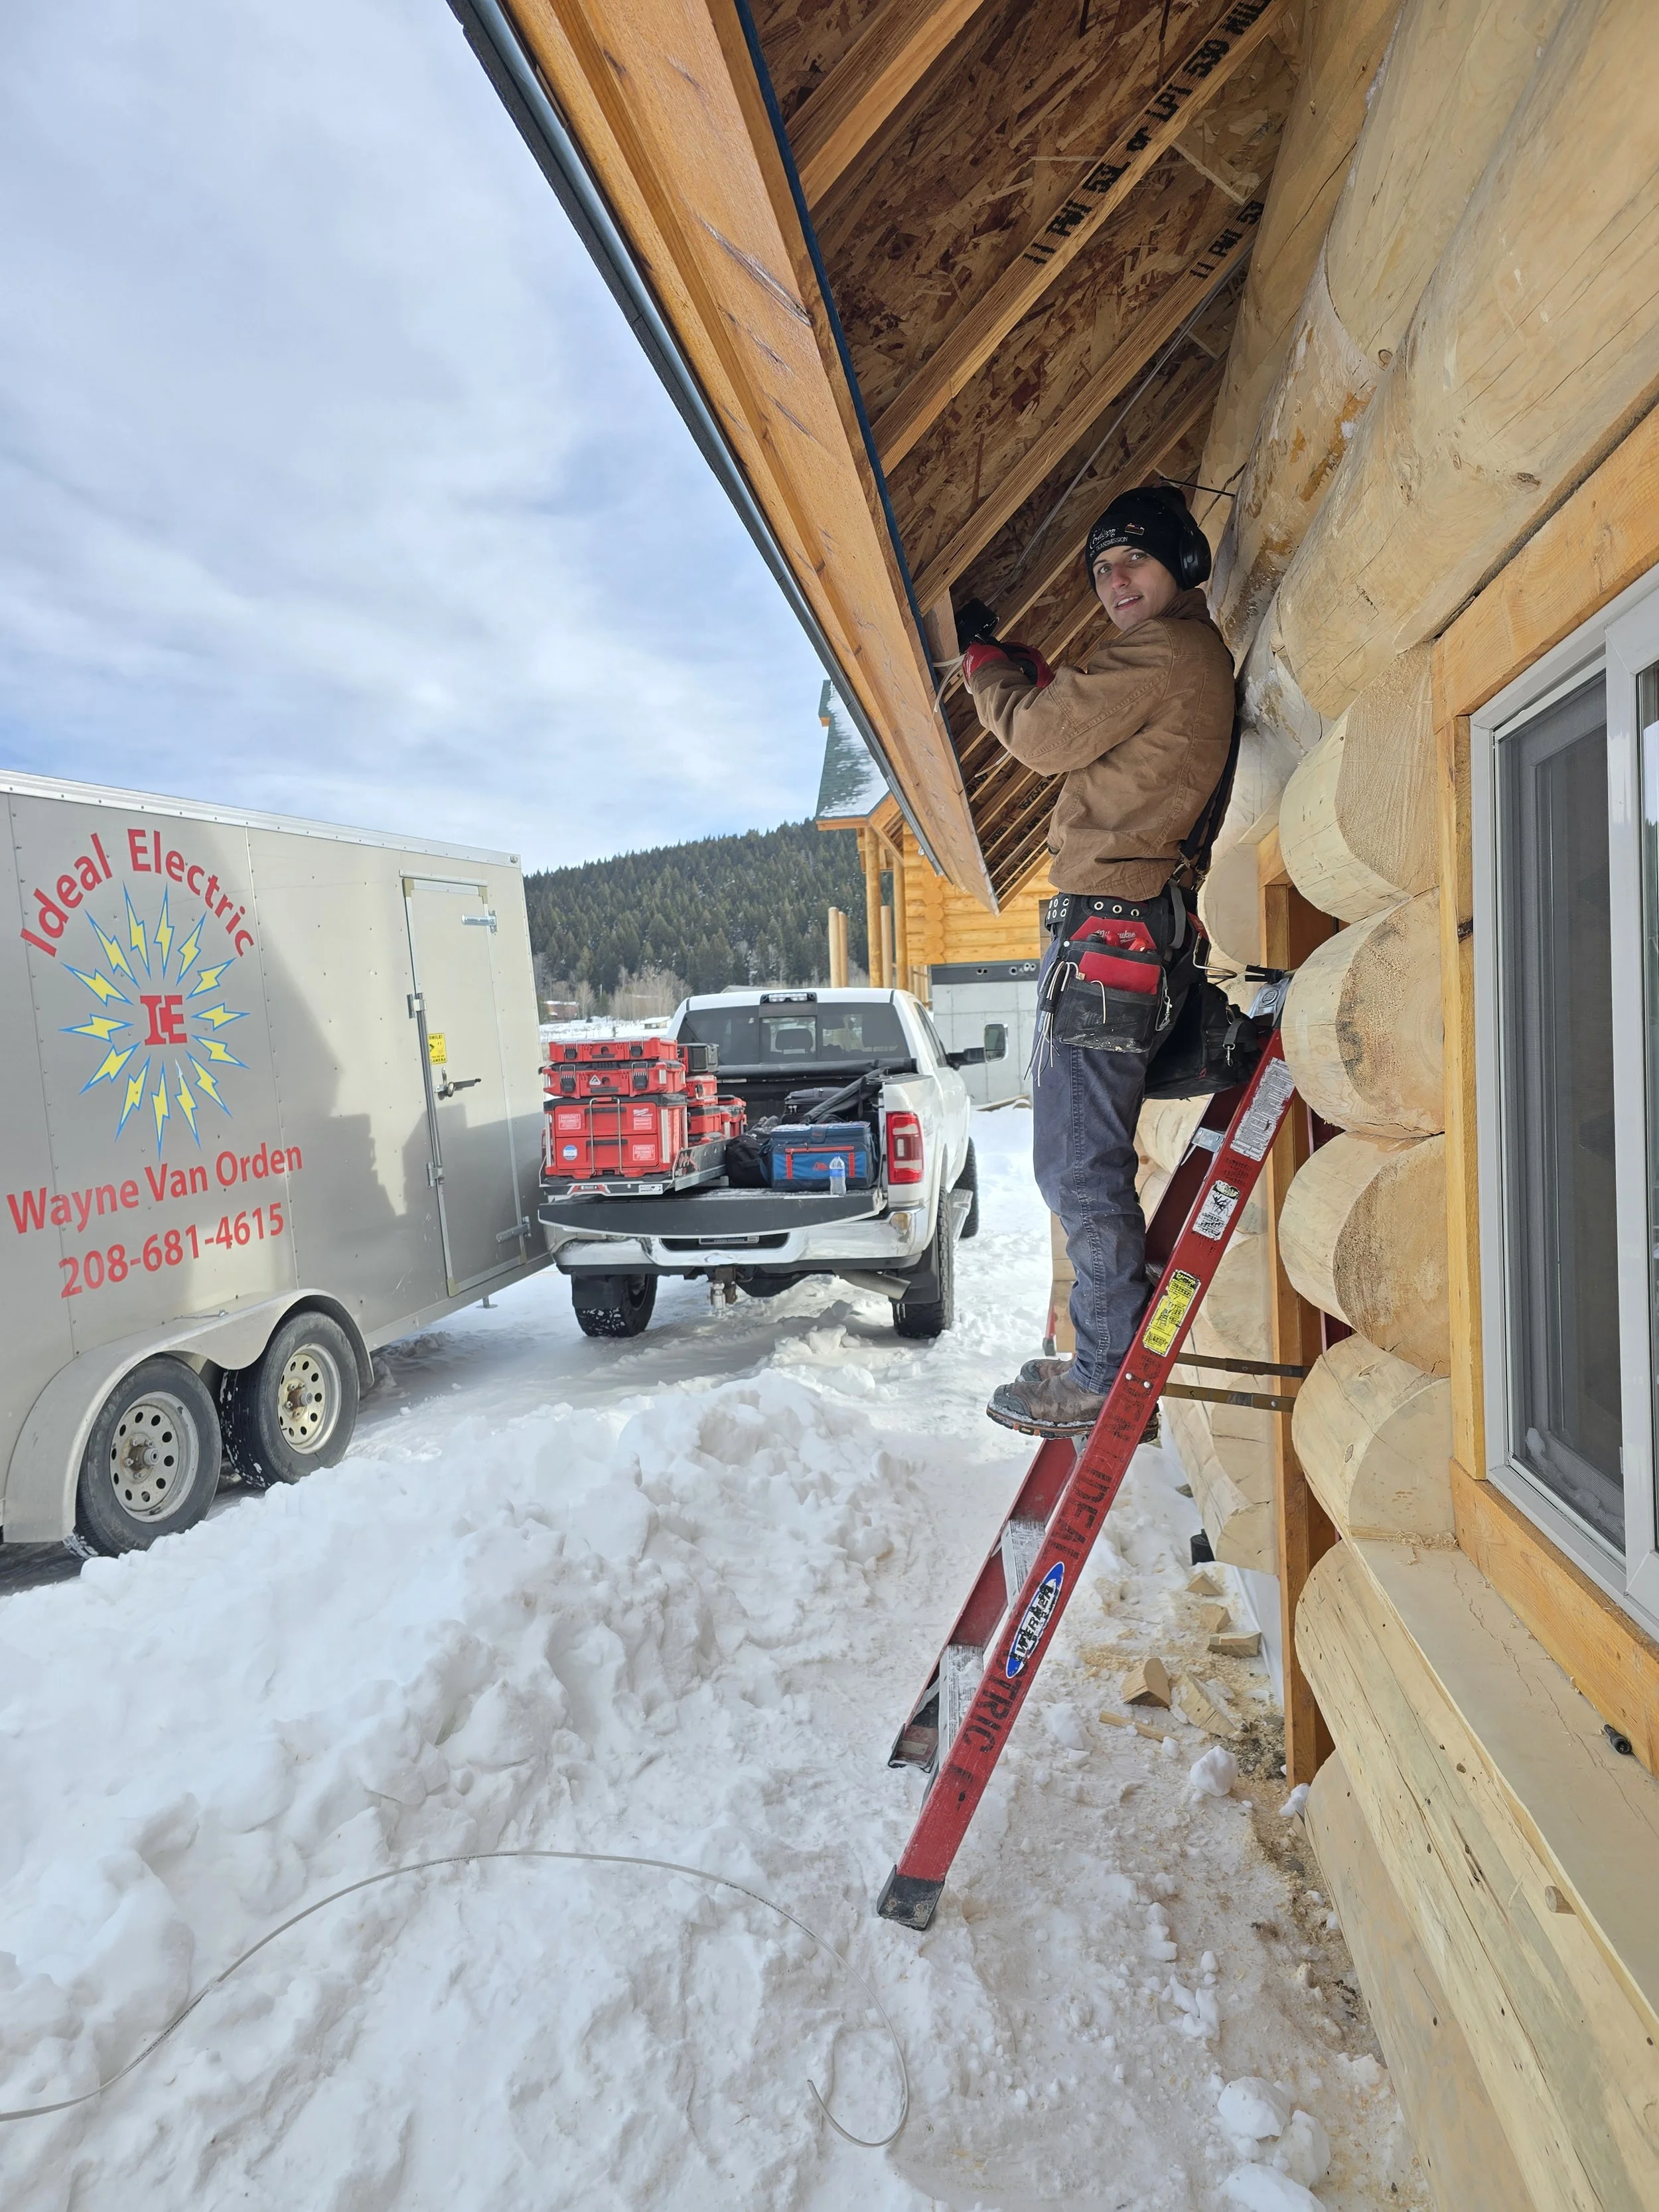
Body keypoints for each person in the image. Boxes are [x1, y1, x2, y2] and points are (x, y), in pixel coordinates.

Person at [959, 484, 1236, 1438]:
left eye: (1134, 561)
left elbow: (1040, 736)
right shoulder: (1174, 655)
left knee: (1079, 1160)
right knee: (1079, 1154)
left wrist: (985, 668)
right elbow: (1086, 729)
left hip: (1112, 925)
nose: (1115, 581)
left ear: (1183, 566)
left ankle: (1105, 1370)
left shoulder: (1167, 649)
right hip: (1119, 921)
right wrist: (1036, 675)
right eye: (1102, 568)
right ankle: (1106, 1351)